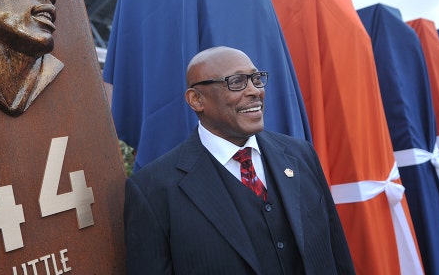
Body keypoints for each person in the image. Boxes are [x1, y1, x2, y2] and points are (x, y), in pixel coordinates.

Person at [124, 46, 355, 274]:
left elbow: (336, 254)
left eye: (256, 78)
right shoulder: (152, 189)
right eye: (236, 82)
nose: (255, 91)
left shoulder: (301, 155)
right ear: (196, 100)